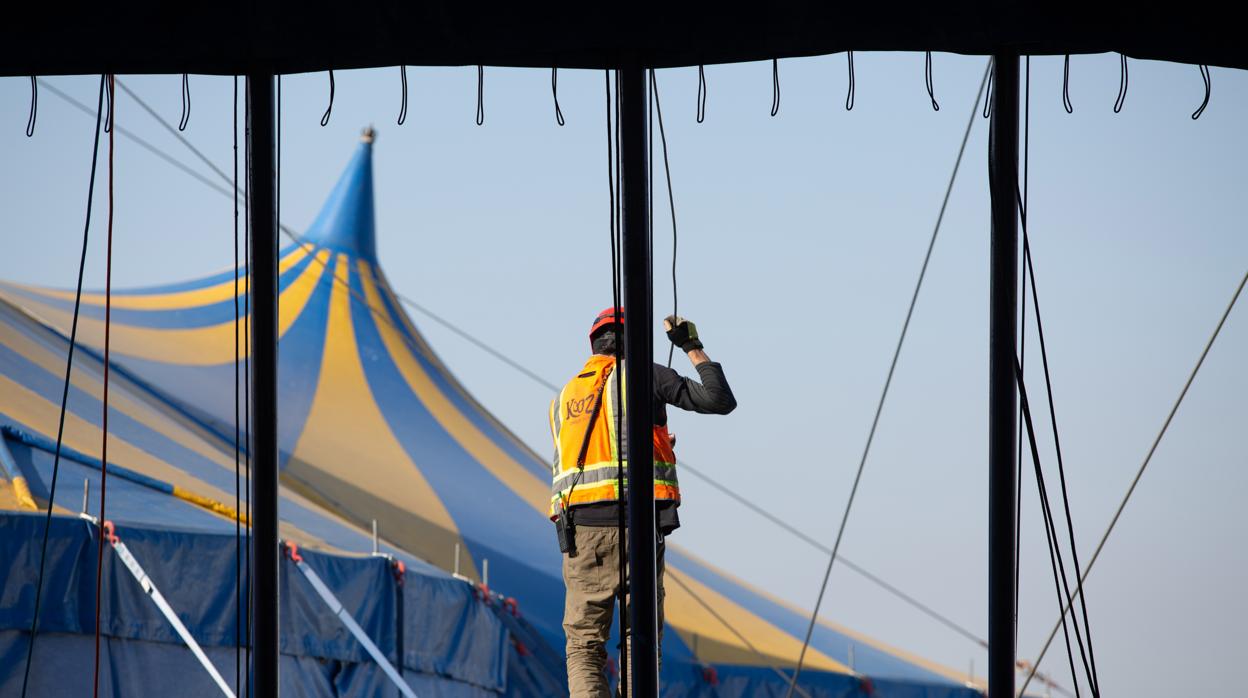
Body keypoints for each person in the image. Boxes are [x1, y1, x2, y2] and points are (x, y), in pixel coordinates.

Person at [548, 307, 737, 697]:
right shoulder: (643, 374)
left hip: (582, 535)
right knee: (640, 639)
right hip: (639, 529)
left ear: (594, 345)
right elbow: (719, 399)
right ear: (632, 341)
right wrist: (691, 345)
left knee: (584, 645)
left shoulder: (563, 398)